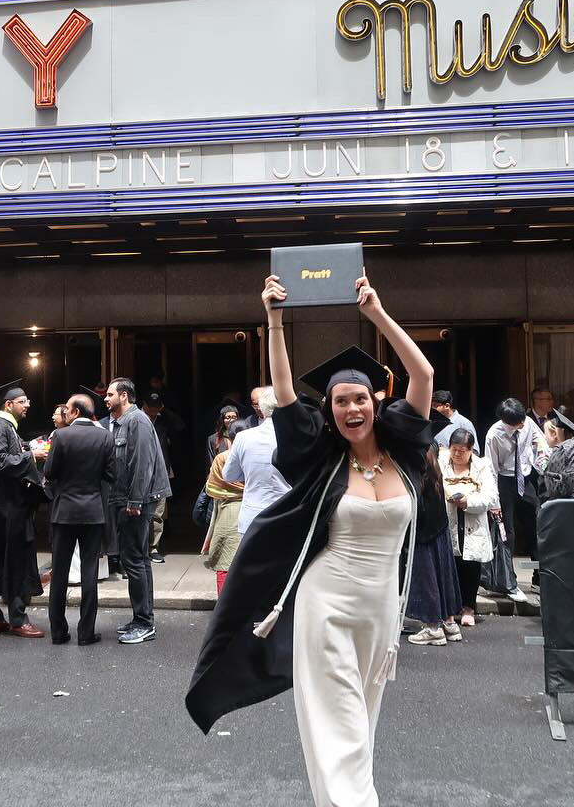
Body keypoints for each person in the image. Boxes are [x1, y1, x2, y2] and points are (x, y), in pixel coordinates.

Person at [187, 272, 434, 807]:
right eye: (340, 400)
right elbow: (282, 392)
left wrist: (376, 313)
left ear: (376, 401)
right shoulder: (322, 461)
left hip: (381, 614)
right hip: (326, 607)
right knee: (340, 728)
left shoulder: (405, 455)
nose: (351, 409)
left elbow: (424, 372)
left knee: (357, 730)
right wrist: (274, 320)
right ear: (330, 409)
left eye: (360, 399)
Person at [0, 381, 47, 638]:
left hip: (0, 509)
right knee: (13, 562)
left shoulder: (5, 427)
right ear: (9, 404)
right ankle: (17, 618)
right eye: (23, 401)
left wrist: (26, 448)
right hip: (2, 509)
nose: (28, 405)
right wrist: (31, 456)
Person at [41, 393, 114, 645]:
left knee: (59, 573)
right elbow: (111, 474)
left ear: (74, 413)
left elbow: (49, 472)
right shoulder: (105, 436)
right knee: (89, 573)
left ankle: (59, 632)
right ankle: (86, 632)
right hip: (93, 511)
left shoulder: (61, 436)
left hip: (64, 512)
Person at [104, 377, 172, 645]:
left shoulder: (137, 421)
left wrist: (135, 501)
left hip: (137, 502)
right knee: (138, 560)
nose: (105, 399)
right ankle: (141, 618)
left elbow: (142, 463)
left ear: (124, 396)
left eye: (110, 395)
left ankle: (144, 622)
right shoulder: (126, 422)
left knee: (134, 560)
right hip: (130, 500)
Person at [406, 444, 464, 646]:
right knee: (443, 574)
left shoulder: (414, 465)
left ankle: (432, 627)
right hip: (440, 526)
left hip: (423, 530)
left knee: (427, 577)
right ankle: (449, 623)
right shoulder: (434, 465)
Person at [440, 428, 497, 628]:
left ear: (471, 450)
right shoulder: (441, 463)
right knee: (449, 566)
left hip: (472, 521)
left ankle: (468, 608)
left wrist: (467, 502)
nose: (457, 454)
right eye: (454, 449)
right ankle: (450, 608)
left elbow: (490, 496)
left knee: (471, 567)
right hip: (449, 519)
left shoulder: (482, 466)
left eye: (462, 450)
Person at [224, 386, 292, 536]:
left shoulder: (243, 437)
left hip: (252, 516)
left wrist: (249, 473)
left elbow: (228, 475)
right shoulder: (295, 437)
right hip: (286, 513)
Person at [484, 398, 547, 558]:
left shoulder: (528, 423)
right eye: (518, 424)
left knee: (535, 522)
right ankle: (508, 578)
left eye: (523, 421)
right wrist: (494, 501)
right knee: (507, 530)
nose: (522, 425)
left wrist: (541, 455)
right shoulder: (494, 435)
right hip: (505, 481)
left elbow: (540, 440)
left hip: (525, 479)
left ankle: (538, 574)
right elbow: (491, 468)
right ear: (506, 421)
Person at [200, 445, 244, 595]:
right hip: (255, 509)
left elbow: (211, 487)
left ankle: (224, 606)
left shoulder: (223, 457)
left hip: (228, 512)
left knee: (224, 561)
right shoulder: (260, 452)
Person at [142, 391, 176, 564]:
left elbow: (180, 425)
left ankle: (153, 547)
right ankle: (140, 547)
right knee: (139, 512)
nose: (154, 410)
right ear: (145, 405)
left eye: (158, 407)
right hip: (141, 470)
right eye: (152, 407)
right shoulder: (137, 418)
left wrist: (165, 411)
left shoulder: (163, 420)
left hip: (160, 469)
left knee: (157, 512)